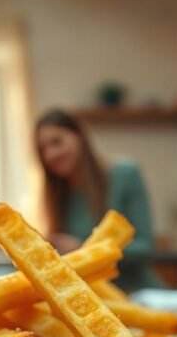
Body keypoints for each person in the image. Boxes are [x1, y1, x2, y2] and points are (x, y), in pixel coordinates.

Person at [36, 108, 165, 292]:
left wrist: (84, 249)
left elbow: (145, 248)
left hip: (139, 294)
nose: (50, 154)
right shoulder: (59, 196)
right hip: (95, 300)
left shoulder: (125, 174)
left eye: (57, 142)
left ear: (79, 136)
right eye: (43, 149)